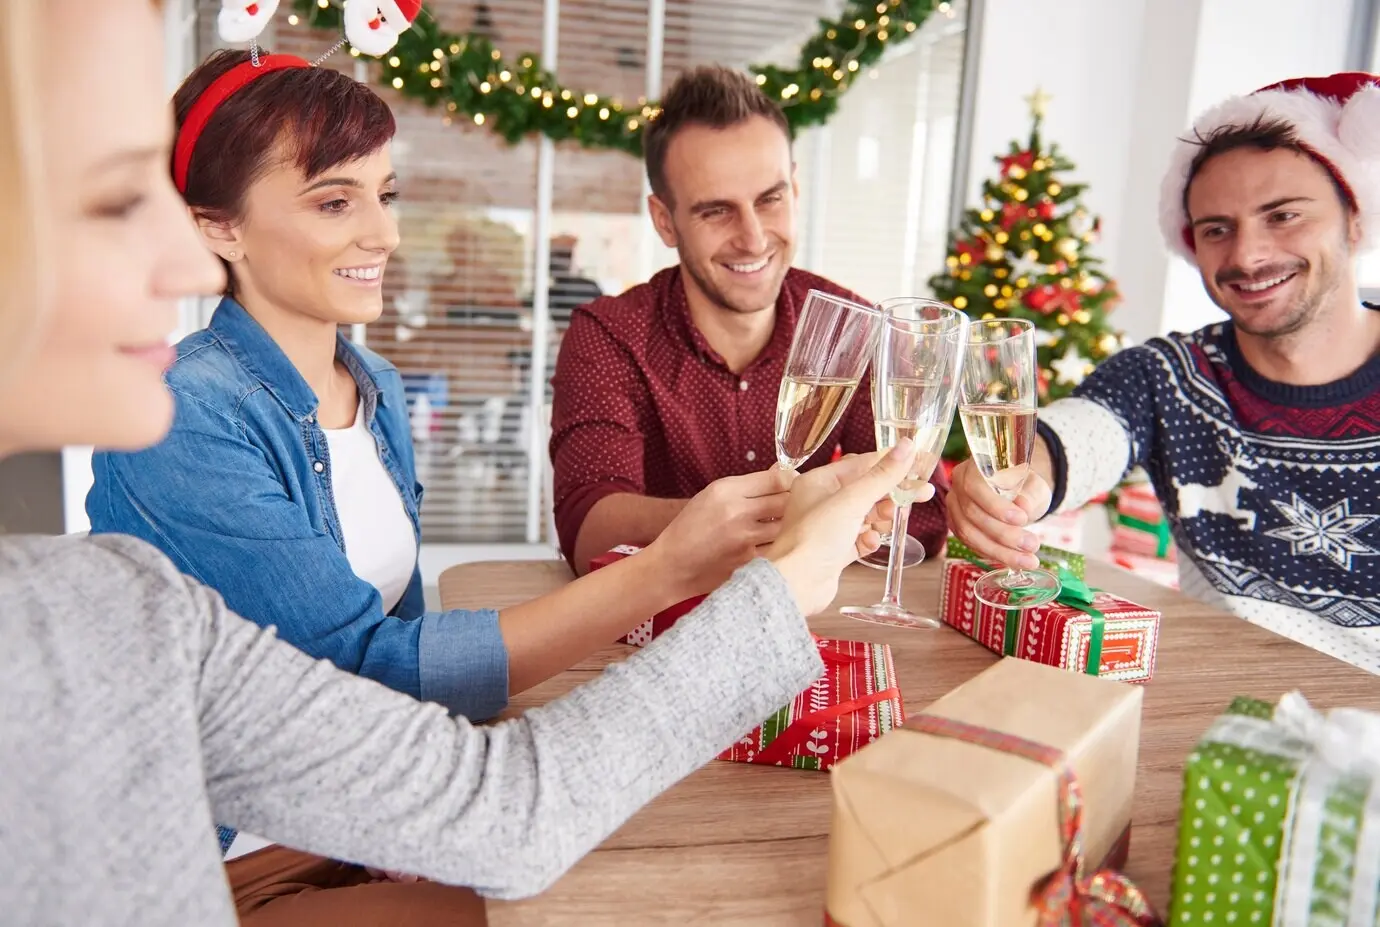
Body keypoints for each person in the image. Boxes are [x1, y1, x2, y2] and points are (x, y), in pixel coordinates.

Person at [0, 1, 924, 923]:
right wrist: (703, 565)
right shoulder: (187, 424)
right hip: (259, 853)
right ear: (219, 227)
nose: (385, 234)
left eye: (386, 194)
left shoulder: (368, 389)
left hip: (371, 817)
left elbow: (411, 711)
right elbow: (389, 673)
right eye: (335, 201)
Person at [946, 73, 1380, 674]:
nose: (1247, 255)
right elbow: (1080, 433)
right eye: (1216, 229)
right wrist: (1020, 478)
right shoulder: (1167, 376)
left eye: (1283, 216)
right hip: (1219, 704)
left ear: (1354, 219)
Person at [549, 65, 950, 574]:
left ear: (794, 189)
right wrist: (792, 515)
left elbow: (925, 516)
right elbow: (588, 531)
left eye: (770, 199)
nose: (754, 238)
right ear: (665, 221)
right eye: (716, 211)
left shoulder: (857, 327)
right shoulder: (609, 335)